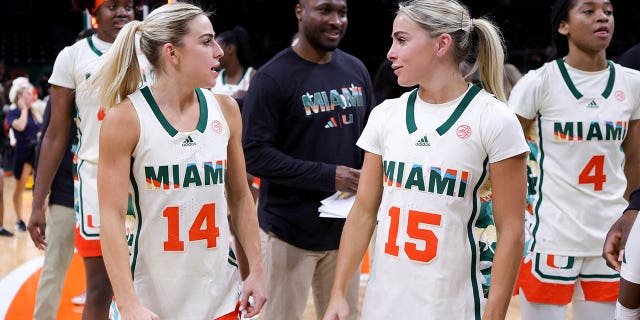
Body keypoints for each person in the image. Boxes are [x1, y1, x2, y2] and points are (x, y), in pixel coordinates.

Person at [322, 0, 528, 319]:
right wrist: (338, 293)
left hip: (452, 305)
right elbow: (363, 211)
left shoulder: (493, 118)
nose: (391, 52)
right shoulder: (385, 115)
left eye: (402, 40)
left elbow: (512, 229)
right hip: (383, 303)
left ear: (441, 44)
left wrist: (495, 314)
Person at [94, 2, 266, 319]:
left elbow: (240, 197)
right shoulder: (125, 119)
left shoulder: (226, 109)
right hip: (151, 301)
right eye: (205, 41)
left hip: (221, 297)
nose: (218, 51)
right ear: (172, 53)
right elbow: (112, 218)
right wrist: (129, 303)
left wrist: (255, 269)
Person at [241, 0, 376, 318]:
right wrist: (330, 176)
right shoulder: (272, 77)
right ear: (300, 11)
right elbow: (254, 154)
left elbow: (370, 141)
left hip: (345, 233)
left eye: (342, 12)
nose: (336, 21)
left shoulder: (356, 70)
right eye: (325, 11)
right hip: (290, 232)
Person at [508, 0, 640, 319]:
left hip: (610, 234)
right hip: (549, 235)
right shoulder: (537, 84)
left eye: (608, 11)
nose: (602, 18)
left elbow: (635, 162)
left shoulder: (632, 84)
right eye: (589, 10)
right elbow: (506, 158)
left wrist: (632, 213)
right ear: (563, 26)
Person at [27, 1, 146, 318]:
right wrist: (38, 202)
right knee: (100, 288)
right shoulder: (73, 56)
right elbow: (54, 135)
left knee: (149, 284)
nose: (122, 12)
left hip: (151, 181)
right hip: (96, 182)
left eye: (128, 6)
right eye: (112, 6)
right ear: (94, 13)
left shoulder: (153, 51)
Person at [27, 98, 76, 320]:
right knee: (54, 268)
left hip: (106, 194)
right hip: (66, 194)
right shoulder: (64, 89)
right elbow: (47, 143)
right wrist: (39, 201)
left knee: (111, 274)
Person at [6, 76, 42, 232]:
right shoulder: (13, 112)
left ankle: (41, 219)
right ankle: (19, 219)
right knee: (20, 188)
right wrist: (24, 109)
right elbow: (20, 127)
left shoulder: (35, 112)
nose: (31, 96)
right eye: (28, 93)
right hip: (22, 153)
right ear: (20, 96)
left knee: (41, 188)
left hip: (36, 153)